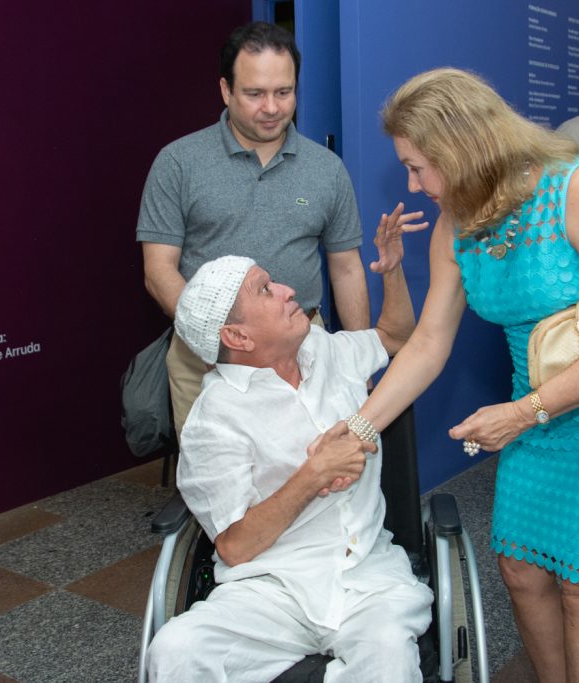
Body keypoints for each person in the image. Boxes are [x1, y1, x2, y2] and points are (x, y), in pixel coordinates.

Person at [349, 68, 579, 683]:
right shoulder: (455, 223)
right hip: (539, 399)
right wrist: (358, 430)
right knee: (522, 568)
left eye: (419, 166)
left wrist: (523, 412)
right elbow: (427, 343)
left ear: (464, 148)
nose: (412, 183)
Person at [146, 204, 433, 681]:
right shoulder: (214, 420)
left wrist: (393, 270)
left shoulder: (323, 349)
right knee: (176, 650)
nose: (288, 289)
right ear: (236, 335)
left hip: (367, 576)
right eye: (266, 289)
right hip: (271, 588)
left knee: (387, 655)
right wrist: (313, 475)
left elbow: (394, 337)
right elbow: (236, 547)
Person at [136, 21, 370, 437]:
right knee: (217, 486)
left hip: (304, 350)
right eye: (255, 93)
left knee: (312, 477)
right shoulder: (178, 163)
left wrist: (360, 360)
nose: (272, 107)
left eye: (284, 92)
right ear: (226, 90)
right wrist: (217, 338)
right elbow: (158, 271)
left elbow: (347, 268)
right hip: (206, 356)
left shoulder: (327, 170)